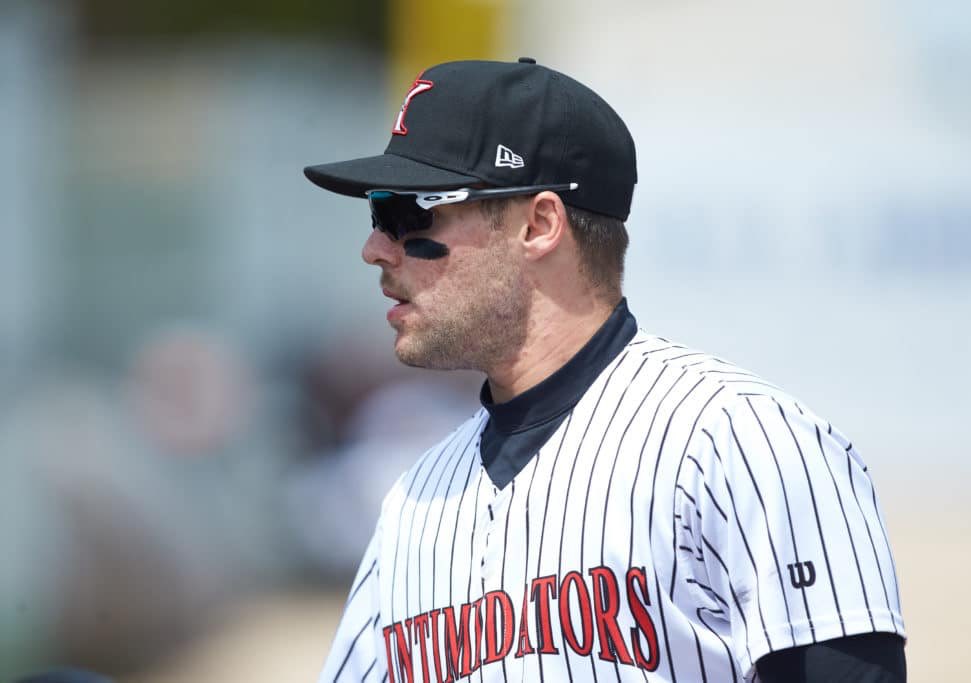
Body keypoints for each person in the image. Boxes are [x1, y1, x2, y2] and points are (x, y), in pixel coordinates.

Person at [303, 58, 906, 683]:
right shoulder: (412, 504)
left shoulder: (743, 440)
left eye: (408, 213)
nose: (376, 248)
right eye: (379, 213)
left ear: (538, 225)